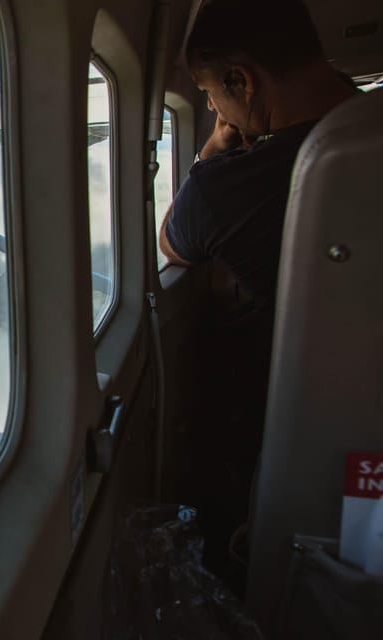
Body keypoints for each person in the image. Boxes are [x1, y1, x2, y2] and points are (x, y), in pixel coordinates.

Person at [158, 0, 358, 587]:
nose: (213, 110)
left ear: (241, 81)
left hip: (309, 429)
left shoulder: (228, 186)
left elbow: (173, 246)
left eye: (209, 94)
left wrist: (210, 154)